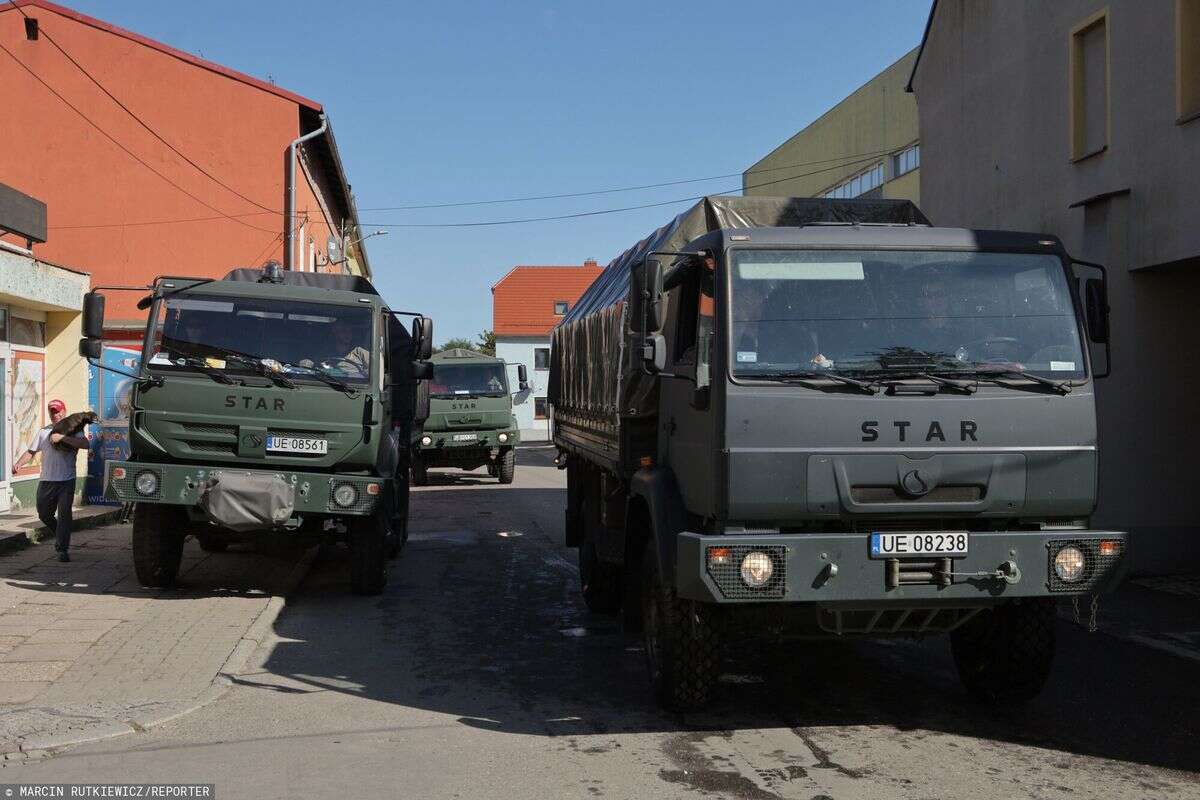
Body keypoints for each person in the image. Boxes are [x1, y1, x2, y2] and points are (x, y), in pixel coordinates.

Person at [11, 400, 88, 562]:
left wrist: (62, 438)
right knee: (44, 514)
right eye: (52, 411)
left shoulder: (74, 430)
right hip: (47, 480)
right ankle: (61, 533)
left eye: (58, 411)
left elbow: (85, 444)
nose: (55, 414)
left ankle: (62, 549)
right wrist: (19, 463)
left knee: (64, 515)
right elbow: (31, 451)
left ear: (64, 411)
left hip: (66, 480)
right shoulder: (43, 432)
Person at [302, 319, 369, 376]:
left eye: (350, 331)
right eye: (343, 331)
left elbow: (372, 371)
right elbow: (311, 365)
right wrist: (305, 364)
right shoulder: (324, 352)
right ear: (335, 333)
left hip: (356, 386)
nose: (347, 334)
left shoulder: (360, 352)